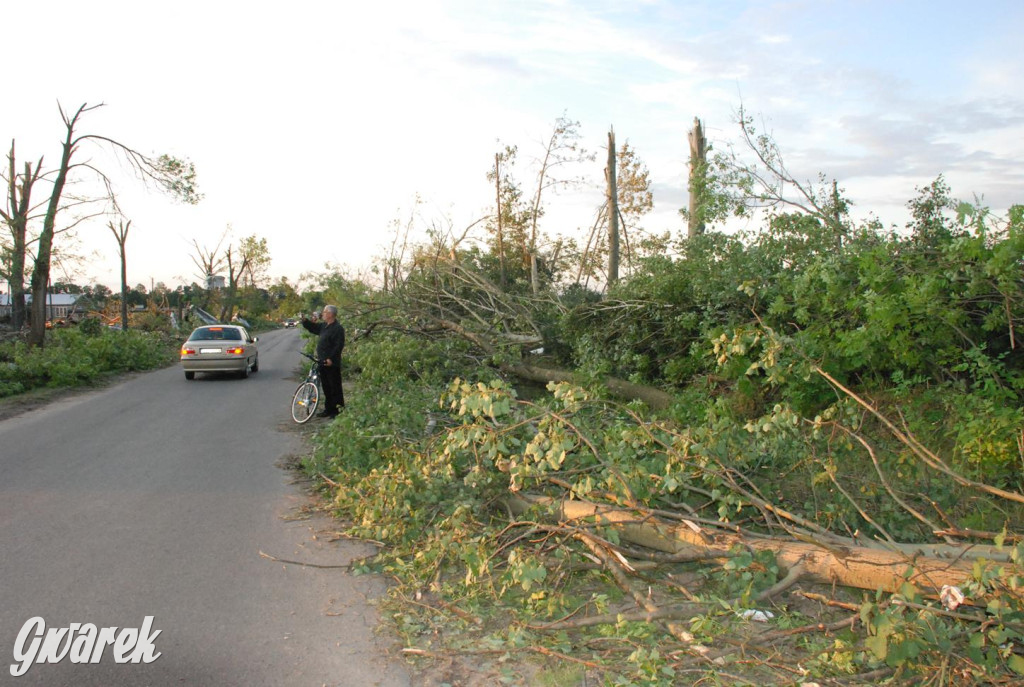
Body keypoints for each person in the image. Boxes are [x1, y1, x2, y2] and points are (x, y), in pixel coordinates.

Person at [301, 305, 345, 417]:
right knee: (326, 387)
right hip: (322, 361)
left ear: (330, 314)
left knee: (334, 386)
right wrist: (306, 321)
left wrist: (330, 358)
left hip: (331, 362)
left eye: (325, 312)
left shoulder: (338, 328)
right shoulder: (324, 326)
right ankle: (328, 409)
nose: (323, 314)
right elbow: (313, 328)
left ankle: (337, 410)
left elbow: (338, 346)